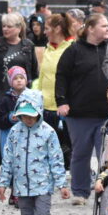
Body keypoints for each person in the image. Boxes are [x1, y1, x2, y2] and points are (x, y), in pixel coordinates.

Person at [0, 90, 70, 215]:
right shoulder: (14, 132)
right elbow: (8, 158)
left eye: (31, 116)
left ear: (39, 112)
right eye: (23, 116)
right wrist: (4, 183)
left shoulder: (48, 132)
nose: (28, 120)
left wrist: (61, 184)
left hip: (43, 185)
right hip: (21, 187)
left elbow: (56, 158)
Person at [55, 14, 108, 206]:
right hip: (79, 114)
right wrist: (61, 101)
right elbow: (61, 76)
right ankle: (80, 191)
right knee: (81, 153)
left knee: (107, 154)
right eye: (103, 25)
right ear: (90, 29)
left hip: (107, 113)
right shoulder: (74, 50)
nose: (107, 29)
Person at [0, 12, 39, 163]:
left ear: (18, 28)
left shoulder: (28, 45)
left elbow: (34, 72)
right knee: (2, 129)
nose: (5, 29)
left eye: (9, 26)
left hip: (24, 95)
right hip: (1, 94)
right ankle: (1, 161)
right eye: (3, 26)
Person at [33, 14, 74, 171]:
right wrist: (36, 98)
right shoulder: (48, 48)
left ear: (58, 29)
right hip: (46, 107)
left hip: (64, 107)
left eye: (48, 28)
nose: (44, 32)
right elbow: (42, 78)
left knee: (68, 145)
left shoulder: (72, 48)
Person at [0, 66, 31, 173]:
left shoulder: (32, 97)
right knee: (12, 164)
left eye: (21, 78)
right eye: (15, 78)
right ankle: (12, 186)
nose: (19, 80)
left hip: (28, 138)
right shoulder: (5, 99)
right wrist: (10, 118)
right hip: (10, 138)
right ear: (10, 81)